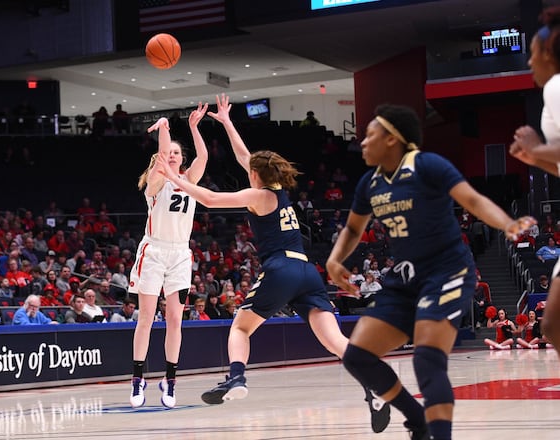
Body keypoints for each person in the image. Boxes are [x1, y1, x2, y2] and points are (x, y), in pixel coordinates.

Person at [157, 94, 389, 433]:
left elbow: (208, 198)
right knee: (335, 341)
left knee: (240, 327)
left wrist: (174, 178)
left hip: (281, 269)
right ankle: (376, 384)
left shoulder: (257, 195)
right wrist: (225, 122)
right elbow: (244, 157)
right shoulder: (278, 190)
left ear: (254, 174)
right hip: (308, 272)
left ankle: (236, 378)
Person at [325, 103, 536, 440]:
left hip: (447, 272)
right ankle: (416, 420)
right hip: (405, 279)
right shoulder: (370, 182)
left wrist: (508, 223)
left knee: (427, 360)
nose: (362, 143)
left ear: (393, 139)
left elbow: (473, 200)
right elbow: (352, 230)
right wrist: (335, 260)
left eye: (370, 135)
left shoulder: (427, 165)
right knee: (358, 356)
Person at [127, 101, 209, 409]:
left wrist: (193, 126)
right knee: (146, 318)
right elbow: (162, 156)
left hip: (179, 254)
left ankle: (169, 381)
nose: (172, 155)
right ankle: (137, 380)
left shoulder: (190, 180)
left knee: (175, 319)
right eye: (168, 152)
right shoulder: (155, 183)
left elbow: (203, 156)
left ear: (182, 158)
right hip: (154, 250)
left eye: (177, 152)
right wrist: (163, 127)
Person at [508, 6, 560, 355]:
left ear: (548, 54)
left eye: (532, 55)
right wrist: (536, 157)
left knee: (554, 323)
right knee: (553, 322)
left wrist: (537, 149)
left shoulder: (556, 84)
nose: (529, 63)